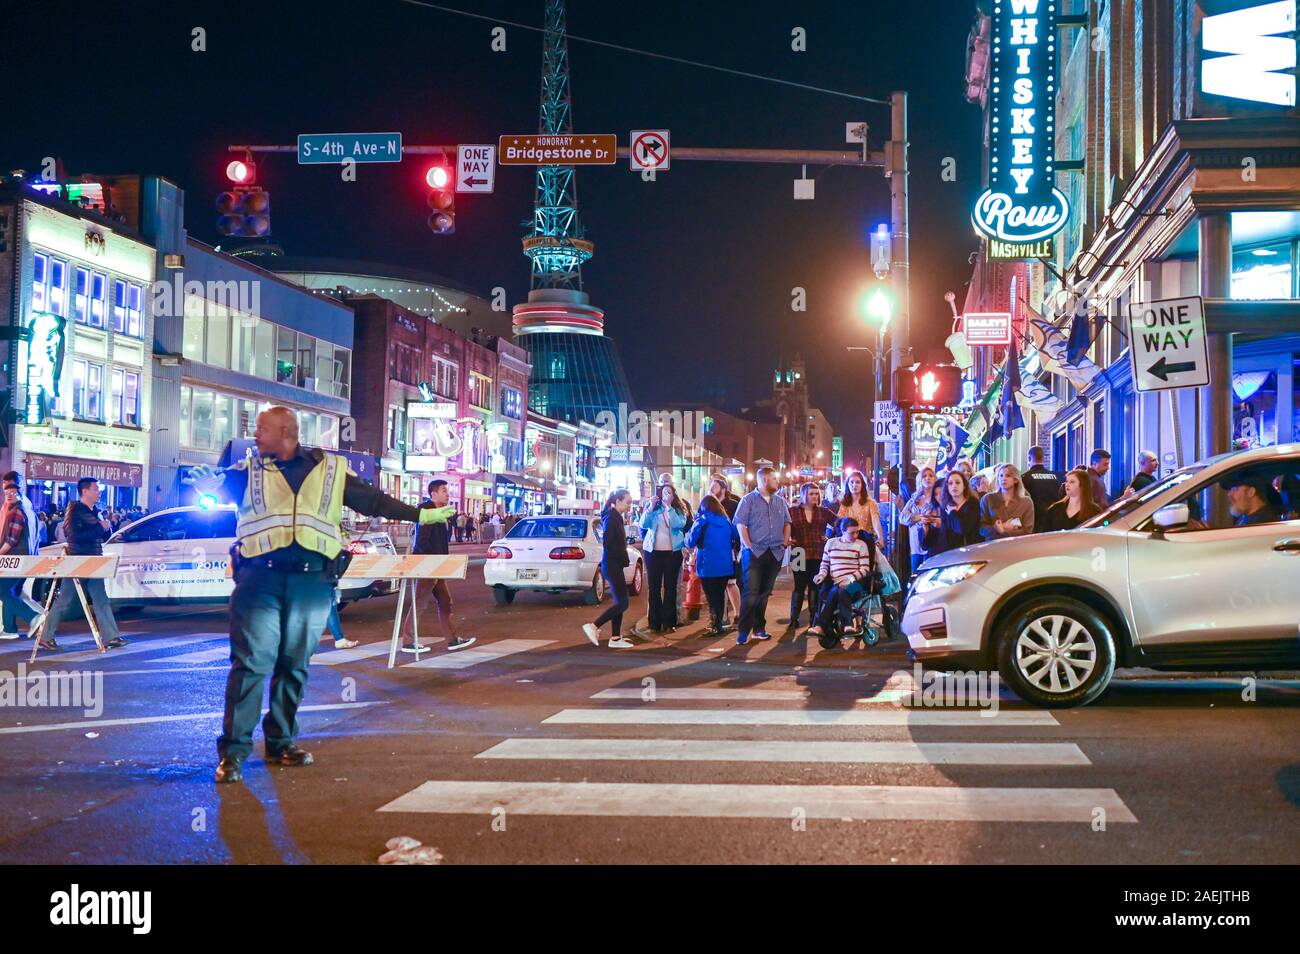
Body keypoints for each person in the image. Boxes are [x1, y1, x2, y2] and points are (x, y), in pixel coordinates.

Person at [187, 406, 456, 785]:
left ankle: (280, 743)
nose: (256, 436)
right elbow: (216, 489)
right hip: (258, 581)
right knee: (249, 665)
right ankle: (232, 754)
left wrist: (422, 515)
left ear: (286, 432)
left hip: (311, 581)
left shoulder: (331, 470)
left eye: (262, 429)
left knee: (293, 665)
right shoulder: (247, 472)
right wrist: (204, 485)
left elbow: (374, 502)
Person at [38, 477, 126, 652]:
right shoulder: (75, 510)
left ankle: (111, 637)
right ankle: (45, 636)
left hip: (94, 559)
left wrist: (105, 528)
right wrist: (100, 527)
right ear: (84, 491)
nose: (99, 492)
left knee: (101, 599)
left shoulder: (95, 511)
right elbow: (74, 535)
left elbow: (101, 534)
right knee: (65, 600)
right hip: (78, 561)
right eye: (95, 489)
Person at [403, 479, 476, 652]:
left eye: (447, 490)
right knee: (420, 601)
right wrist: (429, 562)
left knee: (444, 601)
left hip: (438, 565)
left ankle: (452, 639)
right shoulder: (426, 511)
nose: (447, 493)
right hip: (428, 564)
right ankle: (408, 641)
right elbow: (421, 541)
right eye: (444, 490)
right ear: (433, 494)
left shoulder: (440, 512)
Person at [732, 466, 791, 645]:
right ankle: (743, 631)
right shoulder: (748, 500)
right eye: (774, 478)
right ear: (764, 480)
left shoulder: (780, 502)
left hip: (774, 552)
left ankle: (759, 629)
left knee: (764, 594)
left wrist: (785, 542)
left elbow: (787, 522)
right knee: (751, 593)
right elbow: (741, 525)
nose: (777, 481)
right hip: (754, 553)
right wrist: (749, 546)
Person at [806, 517, 875, 638]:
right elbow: (825, 564)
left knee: (840, 590)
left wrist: (849, 579)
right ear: (843, 531)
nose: (855, 535)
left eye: (857, 532)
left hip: (856, 583)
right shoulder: (831, 543)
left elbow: (865, 569)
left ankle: (822, 626)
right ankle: (845, 625)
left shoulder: (861, 545)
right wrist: (821, 575)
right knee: (837, 590)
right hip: (836, 583)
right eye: (852, 533)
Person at [583, 489, 635, 649]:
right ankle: (594, 626)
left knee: (620, 601)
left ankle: (616, 637)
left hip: (613, 564)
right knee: (623, 603)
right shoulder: (612, 518)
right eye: (628, 502)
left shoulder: (614, 517)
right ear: (618, 501)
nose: (629, 506)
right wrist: (621, 556)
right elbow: (609, 543)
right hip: (612, 565)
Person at [0, 473, 46, 640]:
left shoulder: (17, 511)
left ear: (19, 491)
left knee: (4, 591)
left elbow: (11, 540)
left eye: (12, 490)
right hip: (26, 560)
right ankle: (10, 628)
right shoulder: (27, 509)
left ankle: (33, 617)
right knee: (9, 592)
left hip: (16, 560)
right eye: (6, 491)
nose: (9, 494)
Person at [639, 482, 689, 632]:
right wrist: (650, 507)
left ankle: (669, 622)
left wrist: (669, 507)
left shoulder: (678, 509)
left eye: (669, 493)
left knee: (670, 587)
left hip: (672, 554)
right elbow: (643, 524)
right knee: (654, 588)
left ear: (674, 496)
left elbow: (678, 524)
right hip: (653, 553)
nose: (665, 495)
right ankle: (654, 623)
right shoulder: (653, 508)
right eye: (663, 492)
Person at [686, 494, 740, 635]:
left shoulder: (702, 521)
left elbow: (690, 542)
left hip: (707, 565)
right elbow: (735, 536)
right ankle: (719, 624)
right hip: (725, 565)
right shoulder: (726, 521)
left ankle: (715, 624)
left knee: (711, 597)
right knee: (720, 595)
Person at [786, 483, 837, 630]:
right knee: (799, 586)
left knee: (815, 587)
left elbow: (840, 524)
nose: (815, 496)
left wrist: (830, 538)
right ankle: (793, 619)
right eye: (811, 493)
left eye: (816, 493)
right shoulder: (792, 511)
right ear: (803, 495)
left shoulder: (824, 512)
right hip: (798, 553)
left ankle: (813, 619)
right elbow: (783, 527)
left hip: (818, 552)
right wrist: (788, 539)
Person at [707, 475, 742, 625]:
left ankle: (738, 613)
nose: (712, 487)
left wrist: (740, 548)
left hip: (729, 549)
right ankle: (719, 617)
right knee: (715, 584)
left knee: (730, 582)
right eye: (711, 485)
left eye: (715, 484)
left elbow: (739, 527)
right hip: (712, 549)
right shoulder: (707, 504)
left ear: (723, 487)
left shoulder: (734, 505)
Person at [930, 470, 982, 555]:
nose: (954, 486)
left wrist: (953, 512)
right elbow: (945, 534)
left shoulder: (972, 503)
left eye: (957, 483)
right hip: (949, 553)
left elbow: (963, 529)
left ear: (964, 485)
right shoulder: (945, 505)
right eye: (950, 483)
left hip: (969, 552)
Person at [899, 466, 939, 573]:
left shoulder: (939, 497)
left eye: (931, 476)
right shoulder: (914, 499)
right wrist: (918, 517)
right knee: (915, 576)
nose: (928, 478)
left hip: (932, 544)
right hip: (916, 544)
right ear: (920, 480)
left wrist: (930, 519)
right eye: (924, 476)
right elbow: (902, 518)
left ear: (935, 479)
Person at [980, 463, 1036, 540]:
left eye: (1008, 476)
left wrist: (1003, 531)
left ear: (1015, 480)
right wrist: (997, 528)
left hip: (1017, 547)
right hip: (993, 546)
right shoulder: (987, 499)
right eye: (1001, 476)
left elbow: (1027, 531)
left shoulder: (1026, 502)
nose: (1003, 479)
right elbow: (981, 528)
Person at [836, 471, 885, 547]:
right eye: (851, 482)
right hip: (848, 544)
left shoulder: (871, 503)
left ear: (862, 485)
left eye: (857, 482)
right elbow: (840, 524)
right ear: (847, 485)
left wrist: (880, 538)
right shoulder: (844, 504)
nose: (854, 485)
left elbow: (876, 522)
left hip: (866, 542)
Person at [1022, 446, 1062, 531]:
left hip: (1035, 522)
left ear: (1029, 458)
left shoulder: (1025, 478)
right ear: (1043, 458)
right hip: (1054, 520)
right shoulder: (1056, 476)